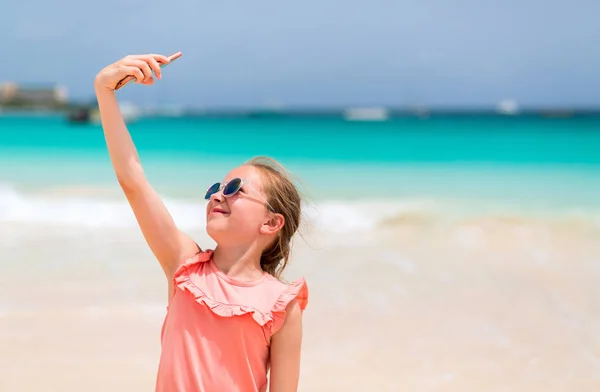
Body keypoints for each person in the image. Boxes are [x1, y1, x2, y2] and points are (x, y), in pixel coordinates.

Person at [94, 53, 309, 392]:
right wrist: (104, 92)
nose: (217, 195)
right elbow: (133, 182)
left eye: (235, 189)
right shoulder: (184, 266)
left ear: (271, 222)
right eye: (215, 188)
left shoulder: (281, 305)